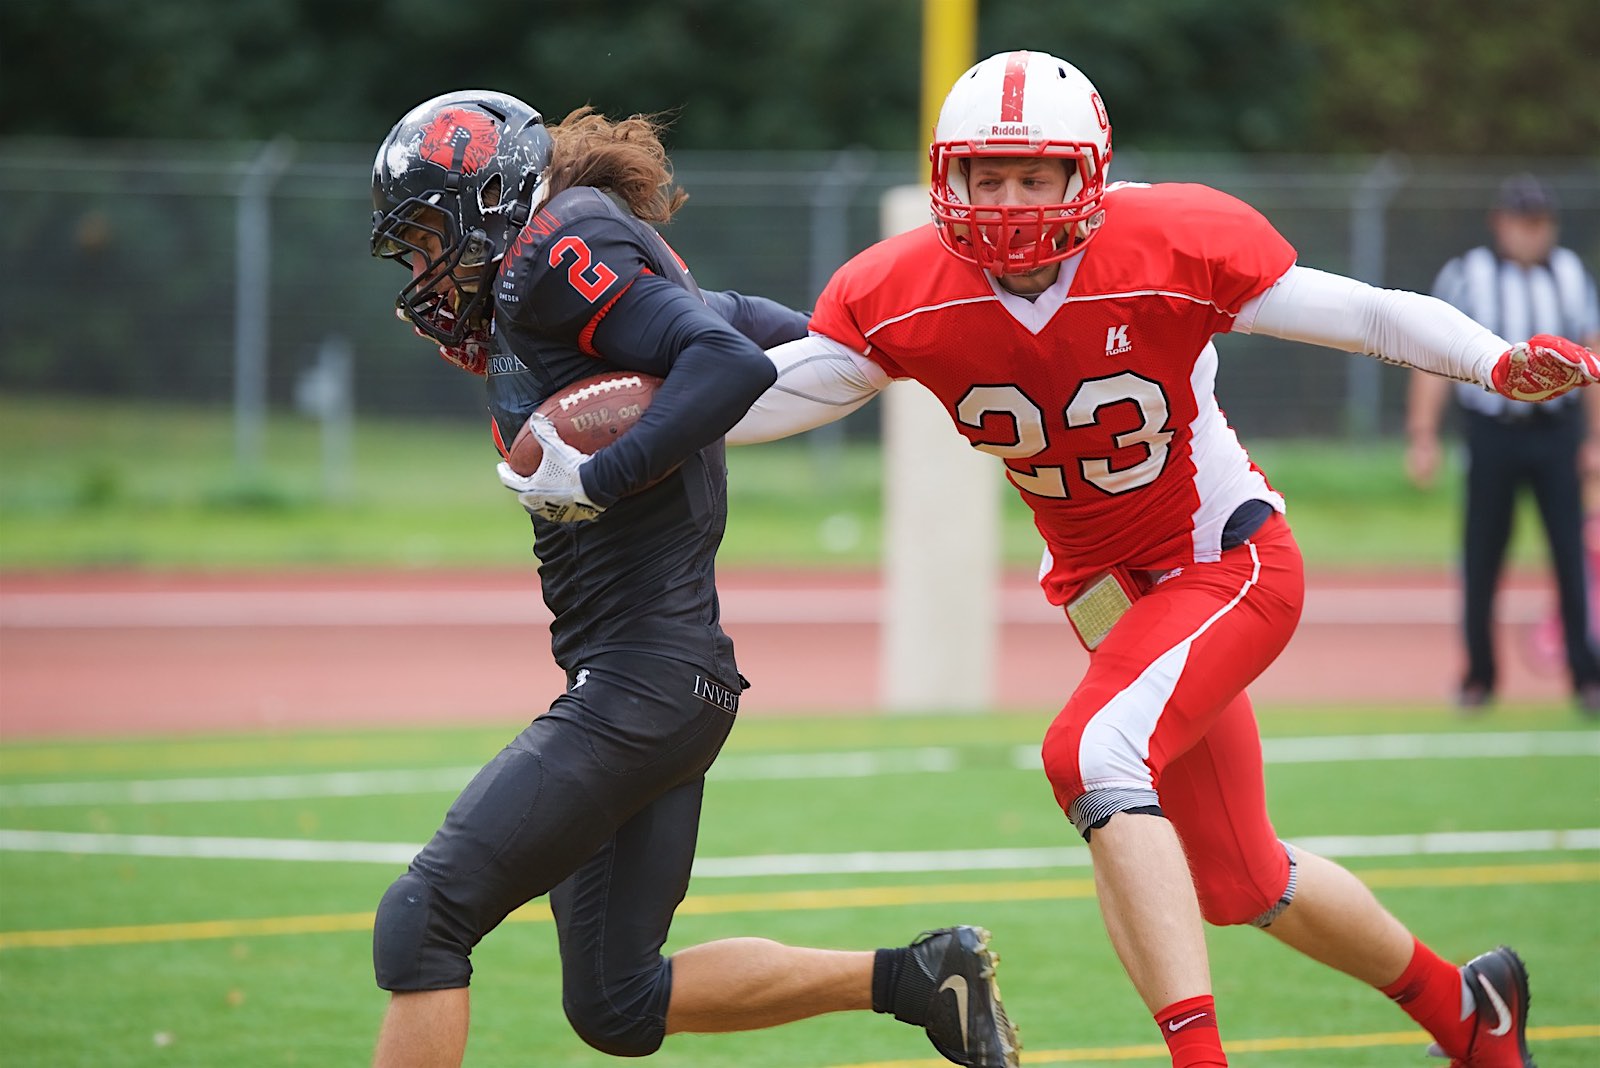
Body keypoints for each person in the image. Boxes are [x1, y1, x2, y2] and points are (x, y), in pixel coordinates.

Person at [726, 50, 1596, 1068]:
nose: (1007, 203)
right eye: (986, 177)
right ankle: (1469, 1011)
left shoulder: (1166, 241)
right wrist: (613, 439)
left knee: (1089, 753)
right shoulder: (905, 287)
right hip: (1112, 601)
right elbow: (761, 393)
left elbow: (1363, 313)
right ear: (947, 179)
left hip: (1225, 566)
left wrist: (1492, 361)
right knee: (1241, 882)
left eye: (1033, 176)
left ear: (1084, 175)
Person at [367, 91, 1020, 1068]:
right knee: (617, 1002)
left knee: (424, 919)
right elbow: (739, 321)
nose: (422, 267)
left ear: (494, 198)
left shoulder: (557, 247)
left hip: (642, 684)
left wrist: (597, 478)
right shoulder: (563, 262)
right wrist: (855, 354)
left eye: (428, 234)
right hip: (665, 684)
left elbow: (721, 358)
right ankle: (921, 979)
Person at [1405, 173, 1600, 714]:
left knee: (1570, 552)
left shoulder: (1569, 275)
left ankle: (1587, 675)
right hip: (1492, 432)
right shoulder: (1466, 276)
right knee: (1482, 554)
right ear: (1500, 223)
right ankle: (1479, 677)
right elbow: (1430, 357)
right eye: (1522, 222)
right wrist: (1423, 436)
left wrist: (1596, 441)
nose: (1531, 234)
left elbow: (1591, 357)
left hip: (1556, 434)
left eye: (1540, 223)